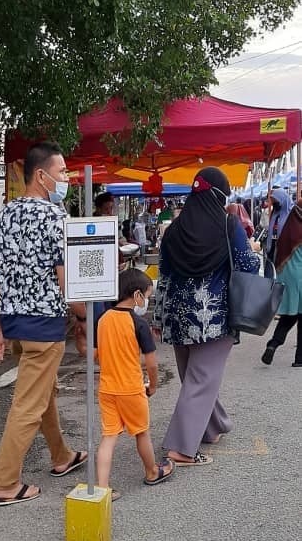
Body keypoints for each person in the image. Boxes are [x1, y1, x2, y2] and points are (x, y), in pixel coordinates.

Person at [0, 141, 87, 507]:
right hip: (44, 325)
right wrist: (83, 317)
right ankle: (5, 482)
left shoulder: (4, 215)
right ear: (41, 175)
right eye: (62, 173)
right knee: (28, 404)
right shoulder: (55, 218)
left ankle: (61, 456)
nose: (65, 179)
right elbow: (66, 280)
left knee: (44, 393)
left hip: (14, 323)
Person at [152, 166, 260, 466]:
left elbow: (163, 278)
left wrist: (158, 321)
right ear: (217, 194)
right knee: (201, 379)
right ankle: (182, 449)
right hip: (214, 317)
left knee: (195, 378)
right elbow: (247, 267)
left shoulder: (173, 230)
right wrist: (251, 249)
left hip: (177, 317)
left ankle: (213, 427)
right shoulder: (228, 225)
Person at [96, 269, 175, 498]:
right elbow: (152, 364)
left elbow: (95, 353)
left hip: (107, 388)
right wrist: (153, 386)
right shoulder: (138, 323)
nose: (146, 301)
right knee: (141, 433)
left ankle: (102, 488)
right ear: (137, 294)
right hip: (131, 388)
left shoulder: (103, 319)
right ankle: (152, 472)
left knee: (109, 437)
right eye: (147, 296)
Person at [261, 198, 302, 367]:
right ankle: (299, 358)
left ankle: (273, 343)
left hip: (288, 276)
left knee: (290, 315)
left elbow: (278, 252)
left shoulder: (289, 227)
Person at [266, 188, 290, 261]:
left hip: (284, 248)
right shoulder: (275, 212)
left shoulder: (290, 213)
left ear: (282, 199)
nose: (274, 202)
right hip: (272, 245)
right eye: (273, 200)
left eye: (275, 200)